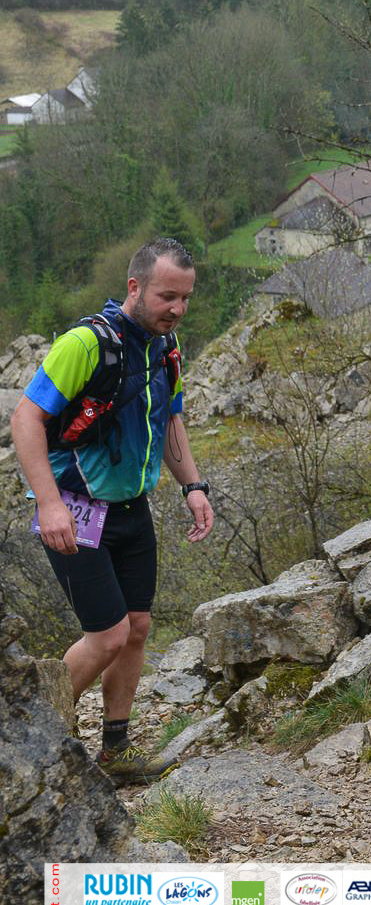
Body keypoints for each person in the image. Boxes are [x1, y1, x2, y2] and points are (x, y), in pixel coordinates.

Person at [12, 237, 214, 784]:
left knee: (138, 627)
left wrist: (193, 486)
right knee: (106, 635)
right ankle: (27, 741)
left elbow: (170, 422)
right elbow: (26, 418)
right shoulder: (85, 343)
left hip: (131, 509)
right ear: (135, 287)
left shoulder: (165, 349)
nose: (178, 309)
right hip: (74, 509)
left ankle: (116, 751)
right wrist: (49, 504)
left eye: (185, 298)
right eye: (167, 296)